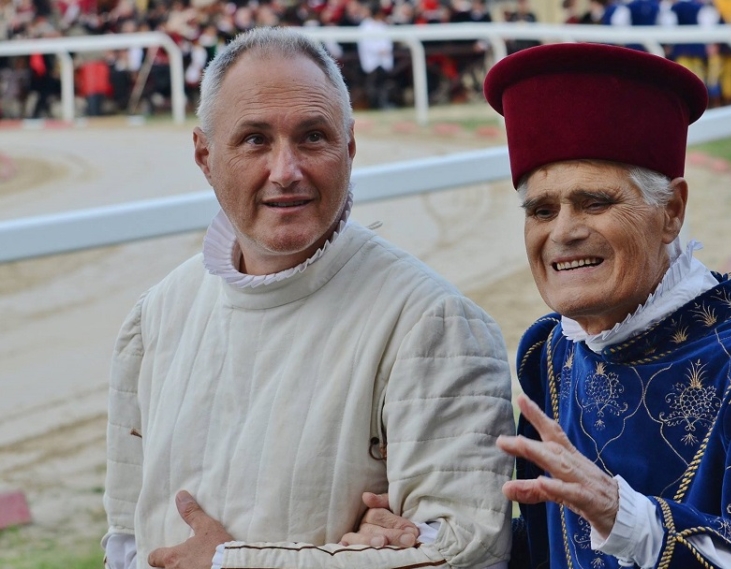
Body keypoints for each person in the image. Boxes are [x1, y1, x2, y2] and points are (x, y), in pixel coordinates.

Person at [355, 42, 731, 568]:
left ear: (672, 211)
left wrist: (637, 523)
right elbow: (558, 550)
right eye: (542, 210)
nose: (563, 232)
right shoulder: (553, 357)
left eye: (595, 202)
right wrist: (432, 538)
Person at [101, 26, 514, 569]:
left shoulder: (433, 325)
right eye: (255, 140)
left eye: (312, 137)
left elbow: (468, 554)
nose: (286, 171)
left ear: (349, 147)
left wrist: (230, 563)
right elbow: (125, 539)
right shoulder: (156, 316)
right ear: (205, 155)